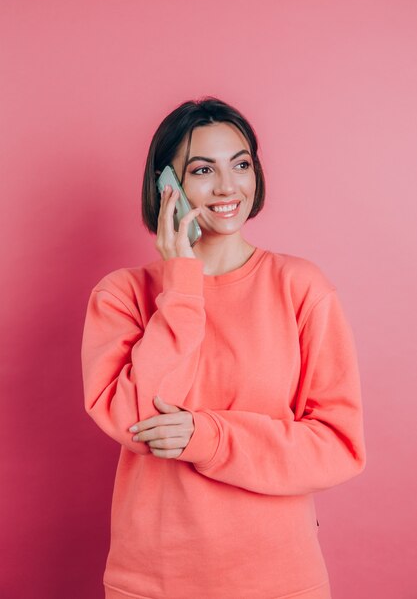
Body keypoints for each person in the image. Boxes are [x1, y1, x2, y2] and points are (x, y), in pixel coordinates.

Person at [80, 96, 366, 599]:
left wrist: (207, 436)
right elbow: (135, 422)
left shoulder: (301, 286)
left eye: (241, 164)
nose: (228, 186)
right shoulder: (121, 294)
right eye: (202, 170)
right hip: (153, 581)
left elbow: (338, 445)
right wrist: (182, 285)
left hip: (280, 580)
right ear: (165, 185)